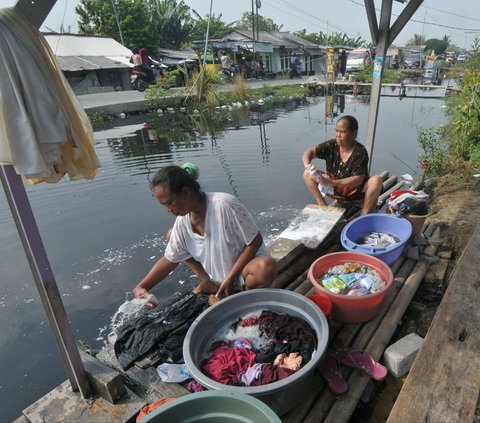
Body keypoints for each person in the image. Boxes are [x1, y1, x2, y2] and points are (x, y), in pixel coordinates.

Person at [133, 165, 277, 305]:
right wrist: (142, 286)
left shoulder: (224, 205)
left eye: (169, 202)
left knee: (265, 267)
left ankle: (243, 295)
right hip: (220, 277)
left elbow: (255, 241)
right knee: (172, 236)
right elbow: (170, 259)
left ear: (186, 193)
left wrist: (230, 278)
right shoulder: (182, 222)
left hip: (242, 272)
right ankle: (208, 281)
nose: (168, 209)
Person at [302, 115, 383, 215]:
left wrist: (331, 182)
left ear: (354, 133)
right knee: (307, 173)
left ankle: (364, 215)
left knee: (376, 180)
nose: (338, 135)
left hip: (356, 194)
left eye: (343, 132)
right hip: (336, 191)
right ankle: (323, 206)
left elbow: (358, 179)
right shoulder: (331, 145)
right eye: (337, 131)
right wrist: (308, 164)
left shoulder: (360, 152)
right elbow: (308, 152)